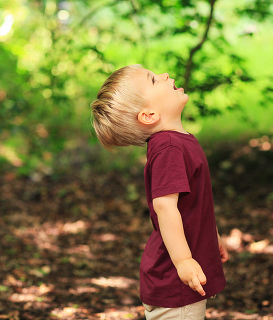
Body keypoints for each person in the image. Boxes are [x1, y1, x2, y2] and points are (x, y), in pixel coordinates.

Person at [91, 65, 228, 320]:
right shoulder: (169, 147)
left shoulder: (177, 142)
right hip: (174, 282)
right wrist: (183, 261)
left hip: (176, 279)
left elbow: (193, 202)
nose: (164, 75)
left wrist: (211, 235)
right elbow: (164, 206)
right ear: (149, 115)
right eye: (153, 80)